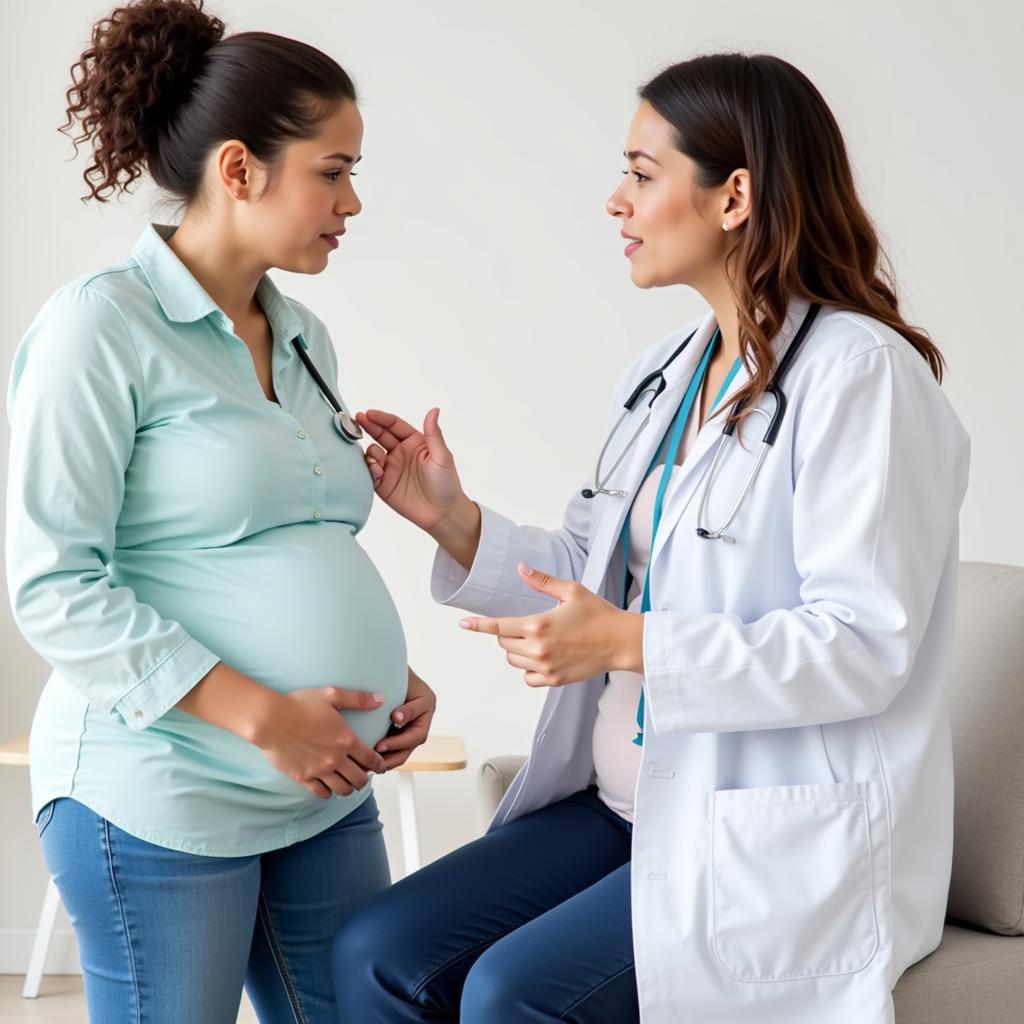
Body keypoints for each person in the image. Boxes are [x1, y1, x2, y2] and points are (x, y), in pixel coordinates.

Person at [331, 52, 970, 1024]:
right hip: (625, 805)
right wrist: (449, 518)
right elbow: (593, 573)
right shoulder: (665, 371)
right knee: (375, 951)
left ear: (733, 196)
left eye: (639, 172)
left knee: (514, 995)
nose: (613, 201)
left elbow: (860, 646)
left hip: (757, 837)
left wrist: (631, 642)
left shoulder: (860, 378)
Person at [5, 2, 436, 1020]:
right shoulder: (97, 328)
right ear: (240, 170)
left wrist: (390, 680)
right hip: (160, 786)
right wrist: (264, 714)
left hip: (320, 785)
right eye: (333, 171)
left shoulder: (302, 339)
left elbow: (291, 537)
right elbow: (54, 584)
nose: (353, 201)